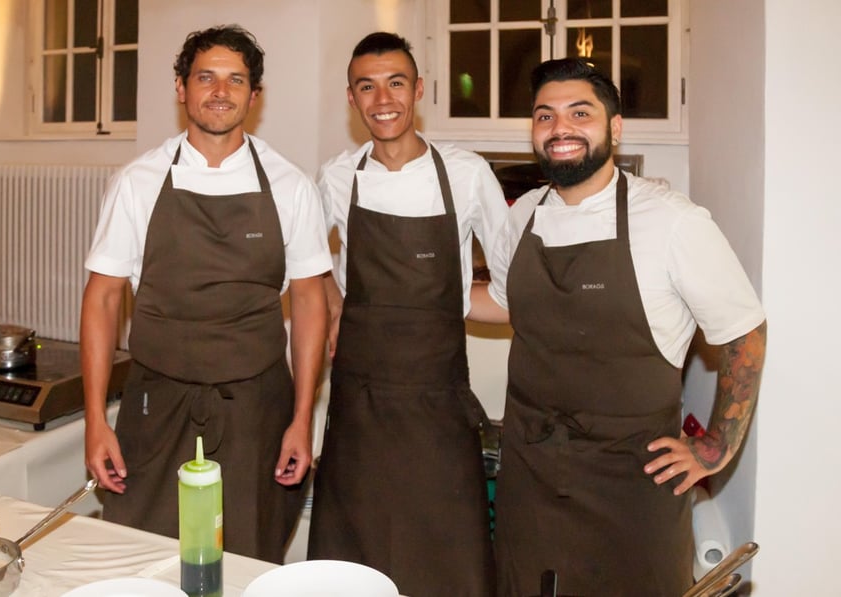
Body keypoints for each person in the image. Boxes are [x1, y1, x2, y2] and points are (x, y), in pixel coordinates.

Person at [473, 58, 767, 596]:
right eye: (545, 116)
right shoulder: (524, 216)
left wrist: (717, 447)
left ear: (614, 126)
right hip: (531, 473)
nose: (560, 129)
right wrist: (405, 298)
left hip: (632, 484)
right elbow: (501, 301)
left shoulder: (674, 221)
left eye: (579, 113)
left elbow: (744, 333)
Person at [79, 24, 331, 564]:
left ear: (254, 96)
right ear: (181, 88)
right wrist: (96, 420)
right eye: (206, 77)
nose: (221, 91)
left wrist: (302, 418)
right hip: (155, 402)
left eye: (236, 80)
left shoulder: (290, 187)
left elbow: (311, 304)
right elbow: (101, 300)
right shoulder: (139, 181)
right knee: (141, 554)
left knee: (246, 557)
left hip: (257, 409)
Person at [307, 32, 508, 597]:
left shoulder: (466, 174)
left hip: (437, 404)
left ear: (418, 90)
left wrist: (452, 307)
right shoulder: (337, 176)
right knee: (352, 564)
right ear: (351, 98)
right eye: (366, 87)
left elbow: (514, 283)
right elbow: (304, 264)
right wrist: (334, 298)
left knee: (445, 563)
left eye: (395, 83)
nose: (382, 99)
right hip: (359, 403)